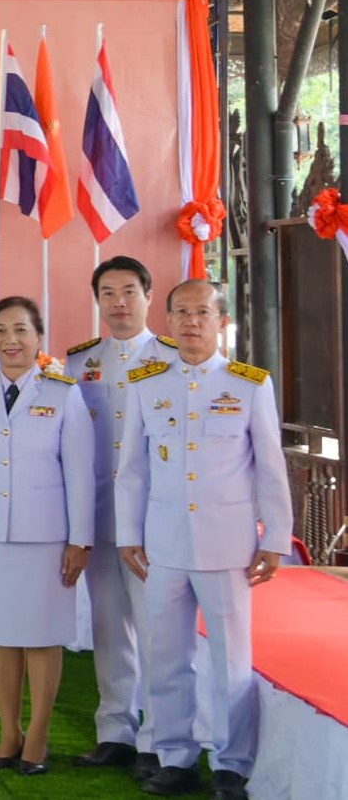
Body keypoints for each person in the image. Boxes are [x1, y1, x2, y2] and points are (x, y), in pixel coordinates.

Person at [118, 280, 293, 800]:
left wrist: (275, 537)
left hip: (227, 546)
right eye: (182, 313)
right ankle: (175, 757)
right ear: (167, 321)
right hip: (163, 545)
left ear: (222, 322)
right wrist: (129, 534)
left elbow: (270, 468)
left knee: (230, 661)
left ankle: (231, 764)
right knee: (167, 656)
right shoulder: (147, 382)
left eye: (202, 312)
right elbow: (131, 470)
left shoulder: (248, 384)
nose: (192, 322)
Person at [0, 296, 95, 775]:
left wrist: (80, 539)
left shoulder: (63, 393)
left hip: (47, 537)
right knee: (2, 637)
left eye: (21, 330)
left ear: (39, 338)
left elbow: (81, 473)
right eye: (1, 331)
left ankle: (40, 734)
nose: (11, 340)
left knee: (42, 637)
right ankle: (10, 733)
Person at [64, 256, 178, 777]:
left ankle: (161, 738)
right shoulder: (80, 362)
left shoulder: (174, 359)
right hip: (100, 519)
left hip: (155, 520)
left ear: (149, 295)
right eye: (107, 293)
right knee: (109, 629)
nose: (118, 303)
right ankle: (116, 731)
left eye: (129, 291)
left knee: (158, 632)